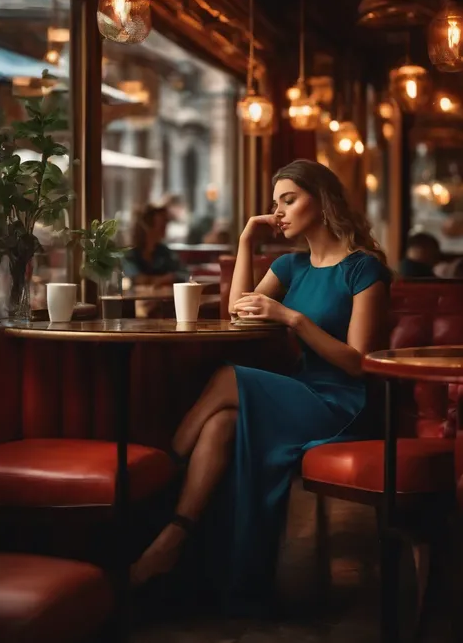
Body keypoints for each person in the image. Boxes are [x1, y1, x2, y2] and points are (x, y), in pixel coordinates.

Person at [130, 159, 391, 612]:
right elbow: (237, 313)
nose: (280, 212)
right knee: (222, 425)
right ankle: (174, 536)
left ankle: (165, 468)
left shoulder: (363, 269)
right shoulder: (292, 266)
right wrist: (247, 238)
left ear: (323, 201)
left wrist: (292, 318)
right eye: (276, 205)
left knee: (228, 377)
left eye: (289, 200)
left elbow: (357, 362)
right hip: (302, 391)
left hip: (345, 402)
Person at [123, 204, 188, 286]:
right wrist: (162, 279)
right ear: (147, 225)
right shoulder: (130, 255)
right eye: (162, 222)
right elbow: (133, 278)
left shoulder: (165, 253)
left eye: (166, 222)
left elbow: (184, 274)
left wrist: (171, 277)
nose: (166, 226)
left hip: (164, 298)